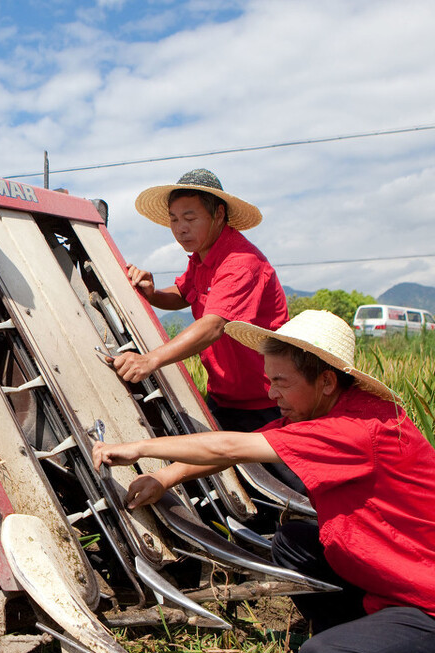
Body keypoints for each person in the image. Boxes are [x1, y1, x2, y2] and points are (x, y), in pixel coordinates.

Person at [92, 310, 435, 653]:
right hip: (407, 580)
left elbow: (228, 444)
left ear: (327, 382)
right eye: (268, 379)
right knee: (295, 542)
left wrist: (137, 449)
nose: (270, 391)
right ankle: (358, 637)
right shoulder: (323, 412)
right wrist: (165, 478)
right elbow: (239, 449)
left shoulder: (354, 430)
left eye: (281, 381)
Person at [113, 168, 299, 490]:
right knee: (227, 488)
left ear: (219, 215)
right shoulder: (201, 258)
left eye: (190, 218)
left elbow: (213, 326)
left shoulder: (241, 263)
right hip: (225, 399)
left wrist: (149, 360)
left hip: (268, 403)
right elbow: (184, 294)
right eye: (173, 219)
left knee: (286, 494)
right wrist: (152, 292)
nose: (180, 229)